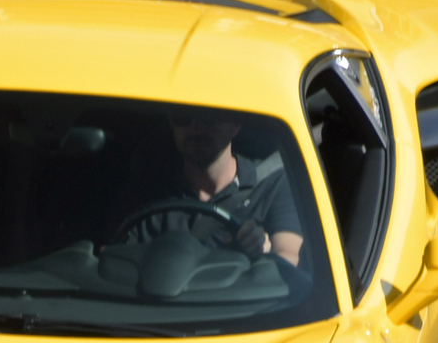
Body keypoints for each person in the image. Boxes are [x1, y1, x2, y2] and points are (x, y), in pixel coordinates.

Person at [122, 108, 307, 265]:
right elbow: (116, 263)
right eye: (183, 118)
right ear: (172, 126)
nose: (196, 126)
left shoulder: (272, 183)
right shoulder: (150, 194)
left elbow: (289, 260)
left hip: (245, 307)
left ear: (235, 125)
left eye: (208, 115)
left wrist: (264, 253)